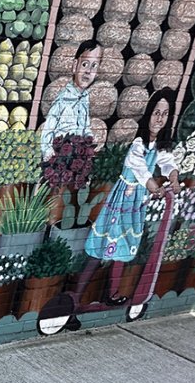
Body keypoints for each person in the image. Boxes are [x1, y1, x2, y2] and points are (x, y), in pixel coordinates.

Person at [74, 88, 181, 306]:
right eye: (156, 112)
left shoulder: (159, 146)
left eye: (164, 114)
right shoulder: (138, 144)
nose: (159, 118)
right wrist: (153, 187)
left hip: (136, 204)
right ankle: (76, 295)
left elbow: (168, 162)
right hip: (122, 202)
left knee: (122, 248)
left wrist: (174, 179)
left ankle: (111, 293)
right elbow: (140, 169)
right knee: (102, 246)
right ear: (148, 114)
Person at [40, 40, 103, 160]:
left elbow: (85, 125)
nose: (88, 71)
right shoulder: (63, 99)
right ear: (75, 66)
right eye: (84, 64)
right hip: (59, 159)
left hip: (76, 158)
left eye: (94, 66)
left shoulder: (85, 98)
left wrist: (89, 139)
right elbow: (48, 130)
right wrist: (48, 152)